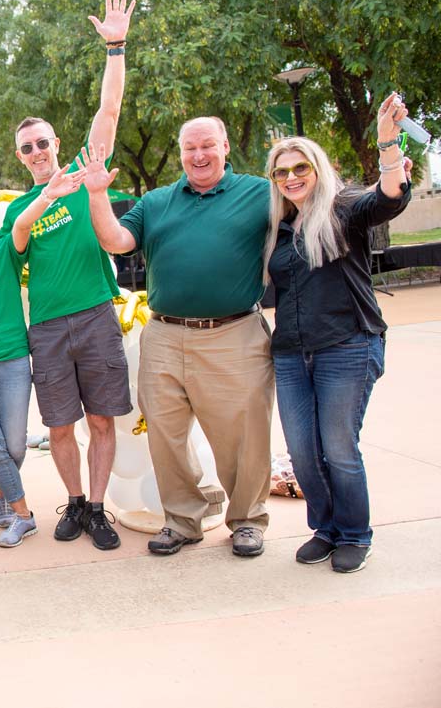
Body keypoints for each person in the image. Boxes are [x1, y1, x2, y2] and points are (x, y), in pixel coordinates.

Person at [83, 118, 274, 557]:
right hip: (165, 334)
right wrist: (96, 194)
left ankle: (247, 520)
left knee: (243, 433)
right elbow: (115, 240)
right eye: (190, 148)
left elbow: (312, 212)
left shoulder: (260, 193)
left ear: (225, 146)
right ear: (180, 151)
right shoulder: (156, 202)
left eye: (208, 145)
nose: (199, 155)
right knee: (165, 433)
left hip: (234, 332)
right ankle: (182, 520)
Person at [0, 0, 136, 550]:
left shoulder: (86, 171)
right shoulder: (17, 206)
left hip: (97, 315)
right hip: (49, 327)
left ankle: (98, 508)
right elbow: (18, 237)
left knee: (101, 422)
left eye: (42, 142)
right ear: (20, 156)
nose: (36, 151)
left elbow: (108, 111)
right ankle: (75, 503)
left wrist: (116, 48)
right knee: (59, 428)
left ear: (57, 143)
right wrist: (43, 198)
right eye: (26, 147)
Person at [263, 94, 411, 573]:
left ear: (317, 168)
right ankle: (324, 529)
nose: (291, 178)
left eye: (299, 167)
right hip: (290, 353)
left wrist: (387, 142)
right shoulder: (279, 229)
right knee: (304, 452)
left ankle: (353, 534)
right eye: (281, 172)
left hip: (348, 345)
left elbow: (388, 197)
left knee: (339, 447)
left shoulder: (344, 207)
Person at [0, 165, 87, 547]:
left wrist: (49, 195)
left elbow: (23, 225)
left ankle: (4, 494)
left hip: (11, 359)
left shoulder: (6, 246)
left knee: (16, 446)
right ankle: (23, 515)